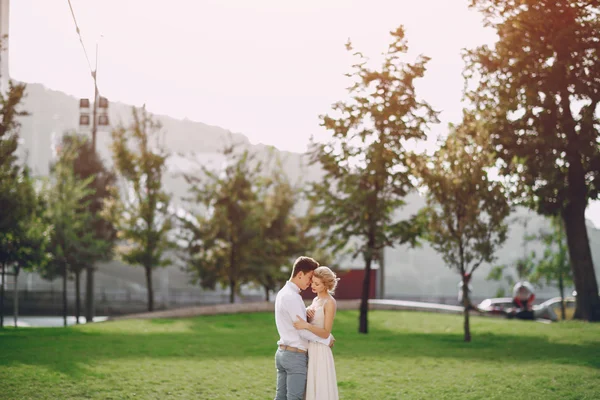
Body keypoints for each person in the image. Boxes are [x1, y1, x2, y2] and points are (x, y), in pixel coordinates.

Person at [274, 257, 334, 400]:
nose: (310, 282)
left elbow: (294, 323)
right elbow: (301, 330)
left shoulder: (283, 293)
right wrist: (327, 340)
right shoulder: (292, 297)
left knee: (280, 397)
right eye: (309, 277)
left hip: (282, 353)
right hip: (294, 356)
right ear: (300, 274)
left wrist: (306, 315)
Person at [293, 266, 340, 400]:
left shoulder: (330, 302)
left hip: (321, 349)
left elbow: (326, 333)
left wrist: (306, 325)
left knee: (320, 385)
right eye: (312, 282)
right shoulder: (315, 300)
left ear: (326, 285)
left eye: (317, 284)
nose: (312, 285)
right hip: (310, 347)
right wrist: (307, 314)